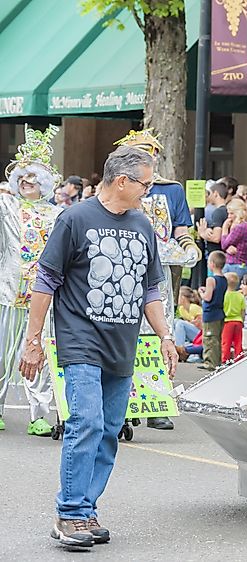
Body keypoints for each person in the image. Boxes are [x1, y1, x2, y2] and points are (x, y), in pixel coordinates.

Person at [20, 145, 176, 548]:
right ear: (122, 181)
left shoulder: (142, 225)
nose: (149, 190)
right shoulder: (75, 219)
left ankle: (87, 509)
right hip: (81, 340)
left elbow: (150, 288)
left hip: (122, 344)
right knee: (85, 421)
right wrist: (33, 341)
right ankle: (69, 513)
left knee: (109, 430)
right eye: (146, 182)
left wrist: (165, 336)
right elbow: (45, 280)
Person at [115, 129, 200, 431]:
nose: (147, 158)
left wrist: (189, 245)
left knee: (159, 332)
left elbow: (181, 227)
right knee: (125, 335)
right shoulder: (121, 188)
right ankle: (123, 402)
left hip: (159, 272)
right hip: (123, 268)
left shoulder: (172, 190)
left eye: (150, 153)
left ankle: (156, 401)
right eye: (139, 153)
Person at [0, 125, 63, 436]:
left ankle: (38, 414)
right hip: (7, 291)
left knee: (38, 351)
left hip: (42, 294)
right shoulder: (5, 208)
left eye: (33, 179)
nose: (26, 183)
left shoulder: (57, 215)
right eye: (22, 178)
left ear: (45, 184)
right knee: (1, 353)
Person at [199, 251, 227, 370]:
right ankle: (217, 361)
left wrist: (201, 293)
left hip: (210, 313)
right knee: (217, 339)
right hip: (220, 312)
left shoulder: (210, 279)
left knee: (209, 339)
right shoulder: (224, 279)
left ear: (212, 264)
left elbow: (208, 297)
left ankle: (210, 362)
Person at [220, 198, 247, 281]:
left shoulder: (240, 227)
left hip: (235, 265)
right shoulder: (246, 225)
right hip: (240, 265)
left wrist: (224, 229)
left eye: (232, 213)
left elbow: (224, 244)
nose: (229, 217)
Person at [197, 182, 230, 256]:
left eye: (210, 193)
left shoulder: (218, 212)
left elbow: (216, 238)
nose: (208, 196)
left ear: (215, 193)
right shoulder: (228, 210)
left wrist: (202, 234)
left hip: (216, 254)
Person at [221, 272, 246, 363]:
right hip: (238, 321)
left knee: (226, 342)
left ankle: (225, 360)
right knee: (238, 342)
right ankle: (239, 358)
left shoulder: (224, 295)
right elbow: (243, 310)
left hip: (227, 321)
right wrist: (242, 320)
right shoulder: (240, 295)